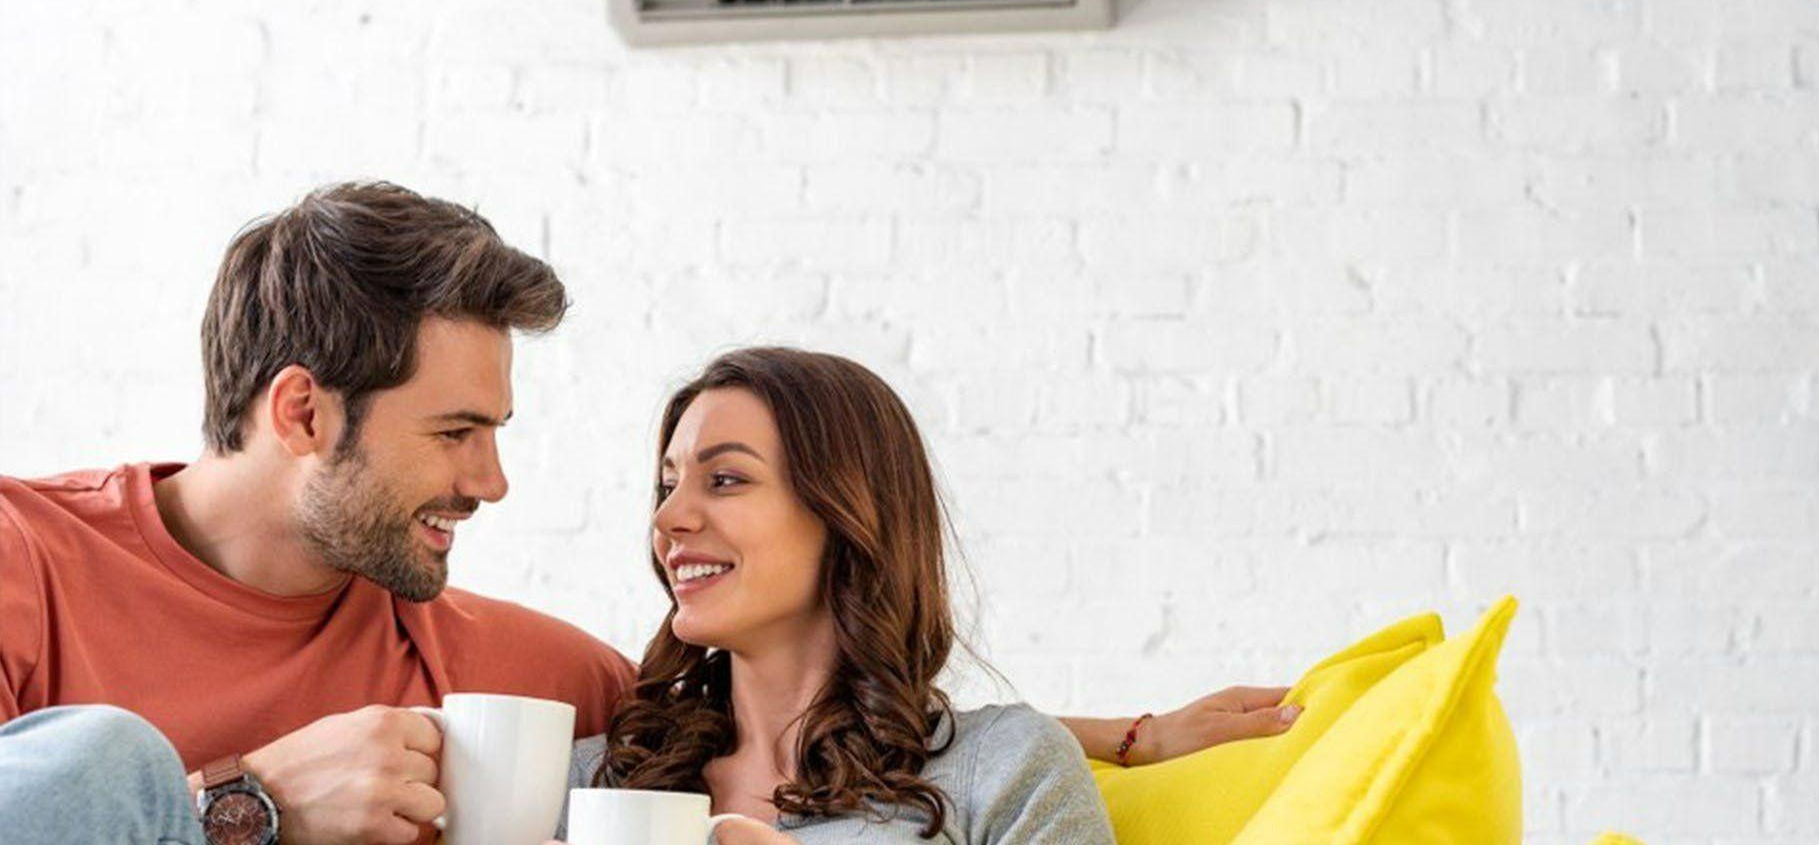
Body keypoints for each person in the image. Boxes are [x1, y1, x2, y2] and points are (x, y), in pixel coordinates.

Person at [0, 182, 1300, 845]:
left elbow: (791, 708)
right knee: (101, 766)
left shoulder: (499, 684)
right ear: (302, 415)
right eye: (458, 432)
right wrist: (246, 809)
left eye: (497, 434)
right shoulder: (26, 560)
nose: (492, 483)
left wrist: (1128, 734)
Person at [559, 347, 1118, 844]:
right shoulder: (591, 781)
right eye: (667, 484)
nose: (668, 517)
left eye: (725, 480)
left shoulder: (1003, 766)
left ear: (847, 514)